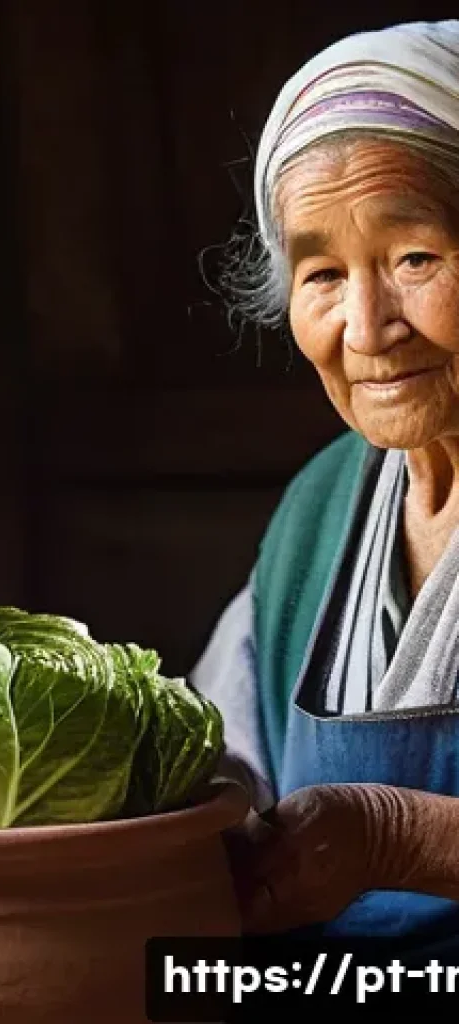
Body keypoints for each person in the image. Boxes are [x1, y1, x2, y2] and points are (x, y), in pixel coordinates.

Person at [191, 19, 459, 956]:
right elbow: (223, 762)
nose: (368, 325)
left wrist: (393, 837)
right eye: (323, 274)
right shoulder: (320, 509)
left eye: (415, 258)